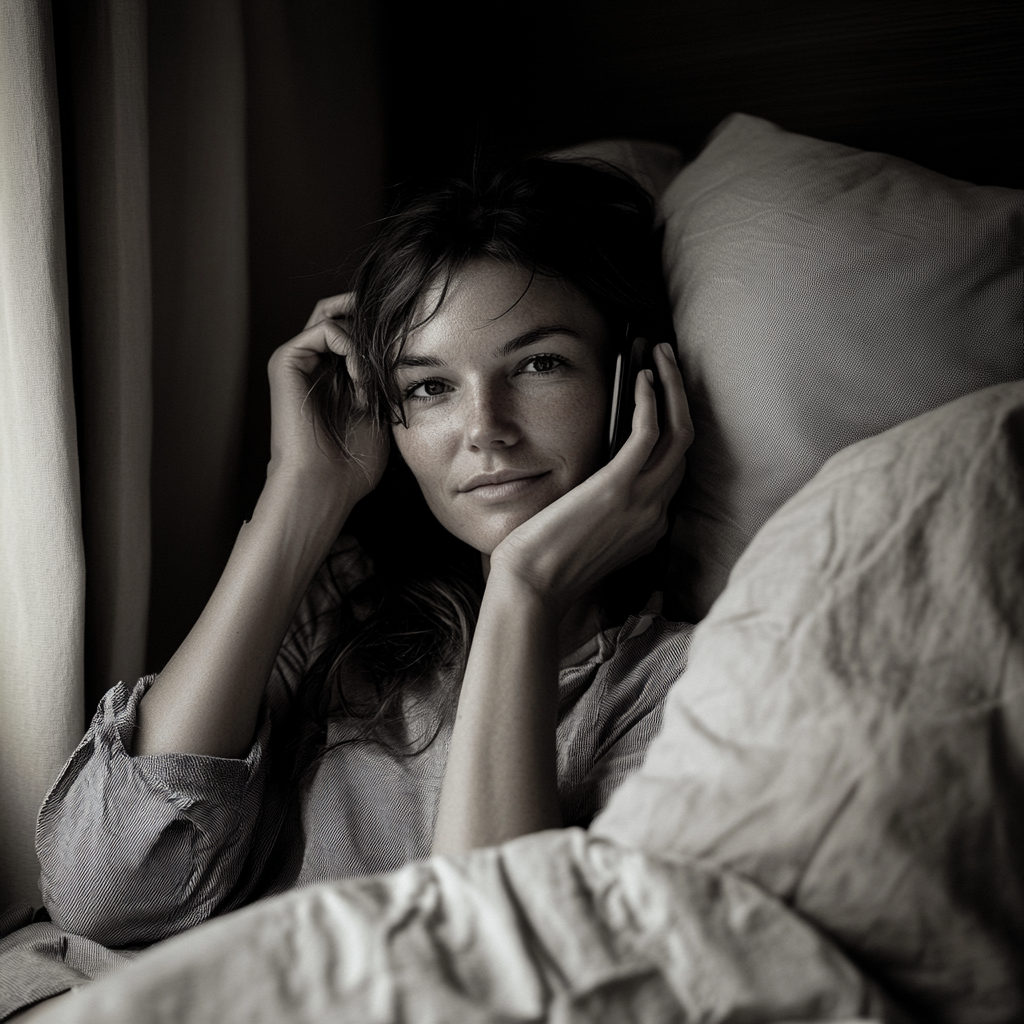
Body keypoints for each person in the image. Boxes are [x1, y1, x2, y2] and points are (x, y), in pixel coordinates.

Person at [2, 158, 695, 1018]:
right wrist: (302, 492)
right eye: (430, 386)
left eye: (539, 365)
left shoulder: (684, 689)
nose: (485, 430)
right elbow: (104, 891)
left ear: (633, 385)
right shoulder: (345, 611)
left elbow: (482, 982)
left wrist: (525, 590)